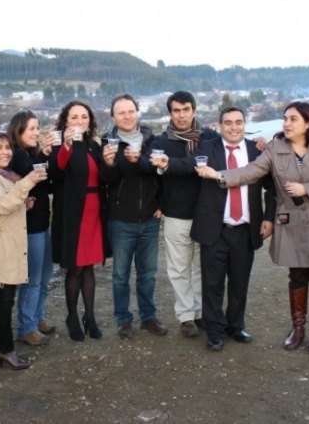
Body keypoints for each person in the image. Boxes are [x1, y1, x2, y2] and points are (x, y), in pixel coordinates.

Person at [196, 101, 309, 354]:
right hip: (292, 223)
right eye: (285, 118)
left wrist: (307, 190)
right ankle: (298, 328)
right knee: (297, 276)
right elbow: (252, 171)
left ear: (308, 123)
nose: (286, 124)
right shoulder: (275, 148)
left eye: (293, 119)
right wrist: (220, 176)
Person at [190, 107, 276, 351]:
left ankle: (235, 326)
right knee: (212, 284)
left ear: (245, 124)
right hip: (214, 228)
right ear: (219, 126)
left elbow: (272, 187)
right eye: (228, 123)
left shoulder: (256, 150)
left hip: (245, 229)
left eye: (238, 122)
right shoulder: (206, 148)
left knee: (239, 283)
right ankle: (215, 331)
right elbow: (186, 161)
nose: (234, 127)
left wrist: (269, 217)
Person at [0, 131, 48, 370]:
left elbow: (6, 204)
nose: (5, 152)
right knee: (2, 300)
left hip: (3, 243)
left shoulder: (2, 175)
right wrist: (28, 182)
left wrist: (23, 204)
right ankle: (6, 350)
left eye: (7, 147)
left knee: (1, 298)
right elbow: (2, 205)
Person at [148, 91, 219, 337]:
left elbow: (234, 147)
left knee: (202, 267)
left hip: (206, 213)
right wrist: (158, 202)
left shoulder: (209, 138)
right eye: (176, 110)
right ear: (170, 113)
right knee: (178, 269)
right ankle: (185, 316)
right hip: (177, 214)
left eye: (186, 109)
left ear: (194, 111)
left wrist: (264, 141)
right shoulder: (160, 143)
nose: (181, 115)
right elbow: (154, 178)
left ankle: (200, 313)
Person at [99, 94, 167, 339]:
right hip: (120, 220)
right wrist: (108, 165)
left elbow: (160, 174)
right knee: (120, 275)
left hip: (149, 218)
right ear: (113, 116)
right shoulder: (107, 142)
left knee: (148, 273)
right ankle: (123, 319)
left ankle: (148, 317)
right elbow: (107, 182)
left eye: (131, 111)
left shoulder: (153, 140)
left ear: (138, 112)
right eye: (121, 112)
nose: (127, 116)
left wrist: (162, 203)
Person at [48, 101, 108, 342]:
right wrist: (66, 146)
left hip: (95, 212)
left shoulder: (95, 146)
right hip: (74, 213)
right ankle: (72, 317)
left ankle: (90, 316)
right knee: (75, 268)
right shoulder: (59, 144)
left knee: (90, 267)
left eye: (84, 116)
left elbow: (104, 175)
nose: (80, 120)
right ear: (66, 121)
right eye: (75, 117)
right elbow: (56, 170)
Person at [8, 111, 56, 346]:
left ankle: (37, 317)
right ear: (19, 131)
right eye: (32, 129)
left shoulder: (31, 153)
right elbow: (32, 179)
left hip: (42, 222)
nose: (37, 133)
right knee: (33, 278)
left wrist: (45, 155)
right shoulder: (16, 156)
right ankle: (26, 326)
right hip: (29, 227)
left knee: (44, 276)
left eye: (38, 128)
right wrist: (45, 156)